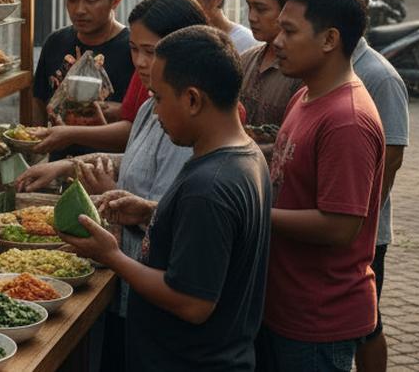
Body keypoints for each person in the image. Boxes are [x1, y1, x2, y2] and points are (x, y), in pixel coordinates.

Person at [17, 0, 208, 372]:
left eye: (151, 51)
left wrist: (116, 199)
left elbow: (177, 216)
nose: (140, 62)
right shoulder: (153, 104)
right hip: (129, 284)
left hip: (159, 297)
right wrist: (66, 166)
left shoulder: (190, 120)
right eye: (135, 49)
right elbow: (133, 160)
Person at [60, 26, 271, 371]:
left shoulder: (209, 187)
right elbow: (218, 234)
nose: (155, 113)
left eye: (158, 98)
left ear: (192, 100)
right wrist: (149, 211)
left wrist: (111, 255)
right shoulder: (244, 155)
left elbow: (193, 303)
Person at [258, 0, 385, 372]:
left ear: (330, 39)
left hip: (318, 319)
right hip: (286, 304)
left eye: (290, 31)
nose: (278, 41)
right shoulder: (305, 94)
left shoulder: (347, 119)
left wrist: (254, 213)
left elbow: (340, 225)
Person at [319, 0, 410, 372]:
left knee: (367, 324)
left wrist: (359, 217)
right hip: (335, 218)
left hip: (363, 229)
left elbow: (391, 157)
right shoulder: (323, 69)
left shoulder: (379, 75)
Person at [31, 0, 135, 158]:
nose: (79, 10)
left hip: (109, 169)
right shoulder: (55, 42)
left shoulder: (134, 50)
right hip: (56, 168)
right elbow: (39, 102)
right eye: (72, 0)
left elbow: (138, 128)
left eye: (91, 0)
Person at [240, 0, 309, 129]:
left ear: (288, 10)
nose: (251, 17)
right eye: (249, 7)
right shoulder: (245, 60)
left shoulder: (304, 73)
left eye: (261, 9)